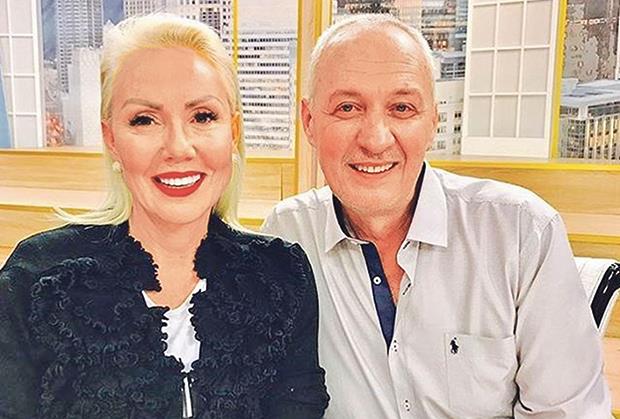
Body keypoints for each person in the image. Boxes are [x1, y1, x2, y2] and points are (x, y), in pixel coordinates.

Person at [262, 14, 610, 419]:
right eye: (348, 108)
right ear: (309, 122)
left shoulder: (521, 233)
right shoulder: (284, 239)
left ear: (433, 121)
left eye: (402, 108)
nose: (375, 139)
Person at [0, 14, 328, 419]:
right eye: (144, 120)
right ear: (111, 139)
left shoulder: (282, 275)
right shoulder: (37, 279)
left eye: (202, 117)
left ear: (233, 132)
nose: (178, 147)